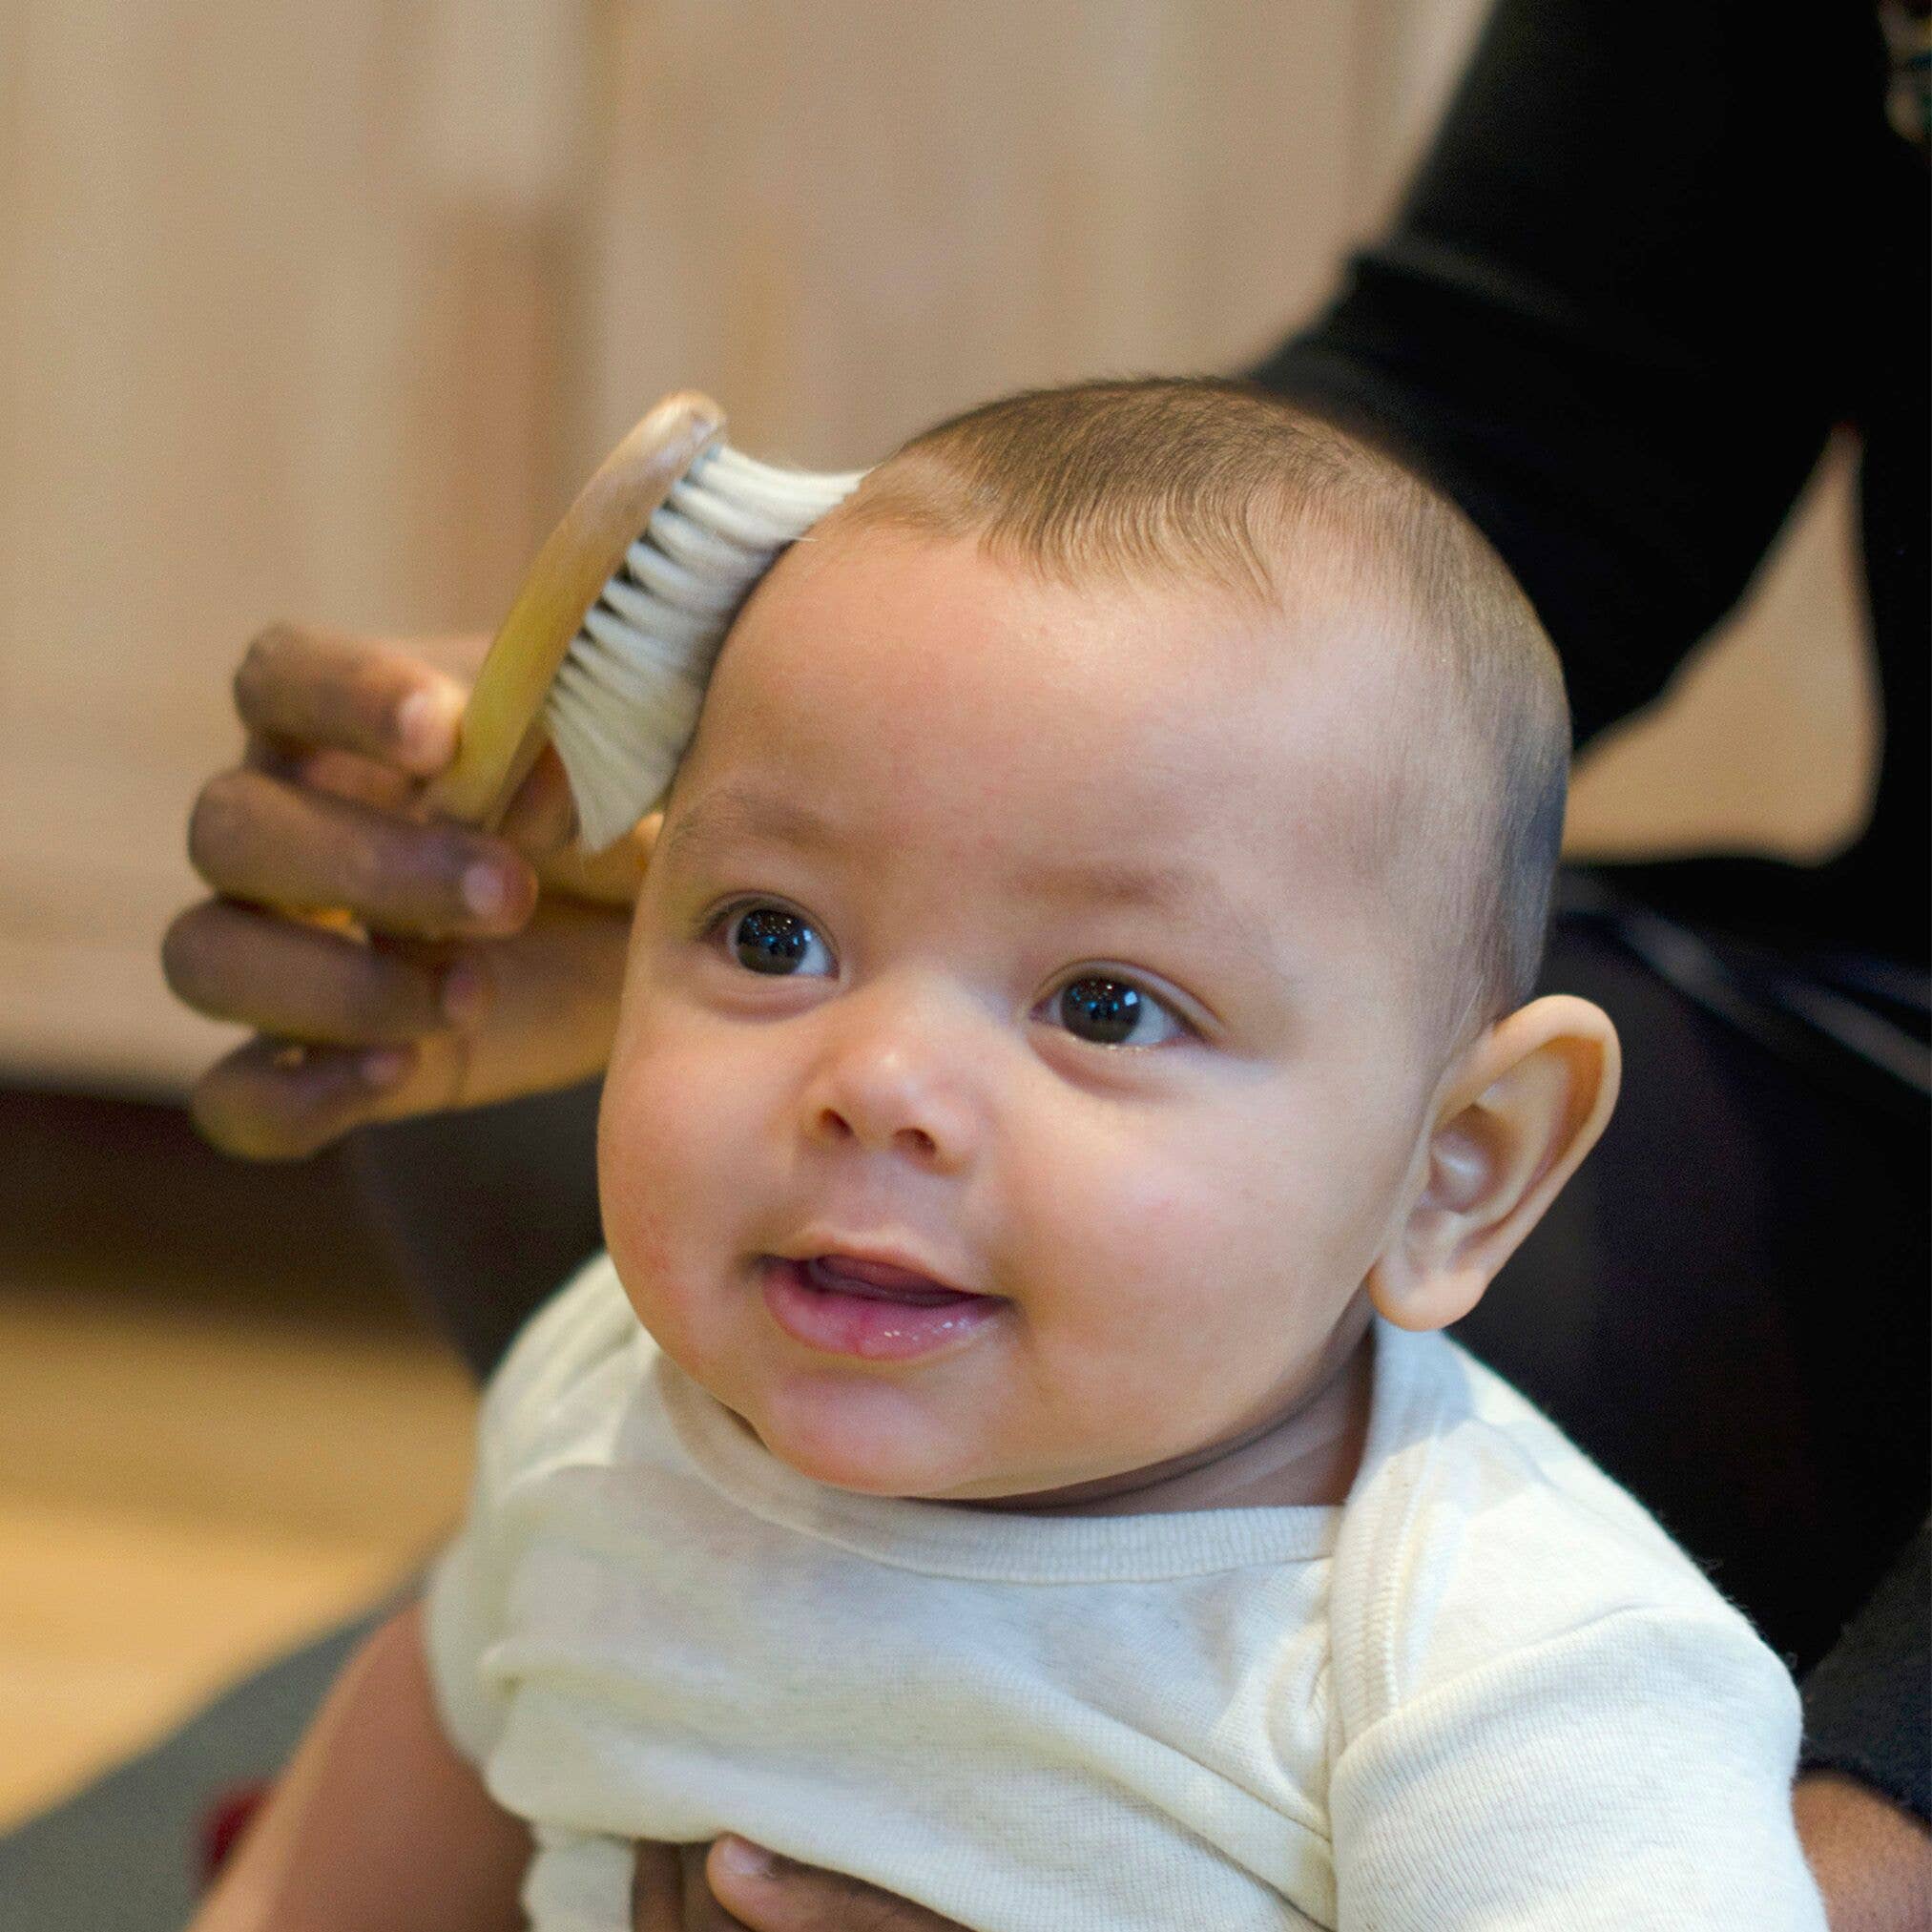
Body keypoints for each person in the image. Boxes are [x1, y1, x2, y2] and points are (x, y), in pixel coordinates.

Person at [161, 3, 1927, 1926]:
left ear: (1457, 1165)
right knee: (478, 1091)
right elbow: (1527, 396)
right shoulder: (613, 1406)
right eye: (772, 934)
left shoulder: (1506, 1686)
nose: (876, 1074)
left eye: (1103, 1003)